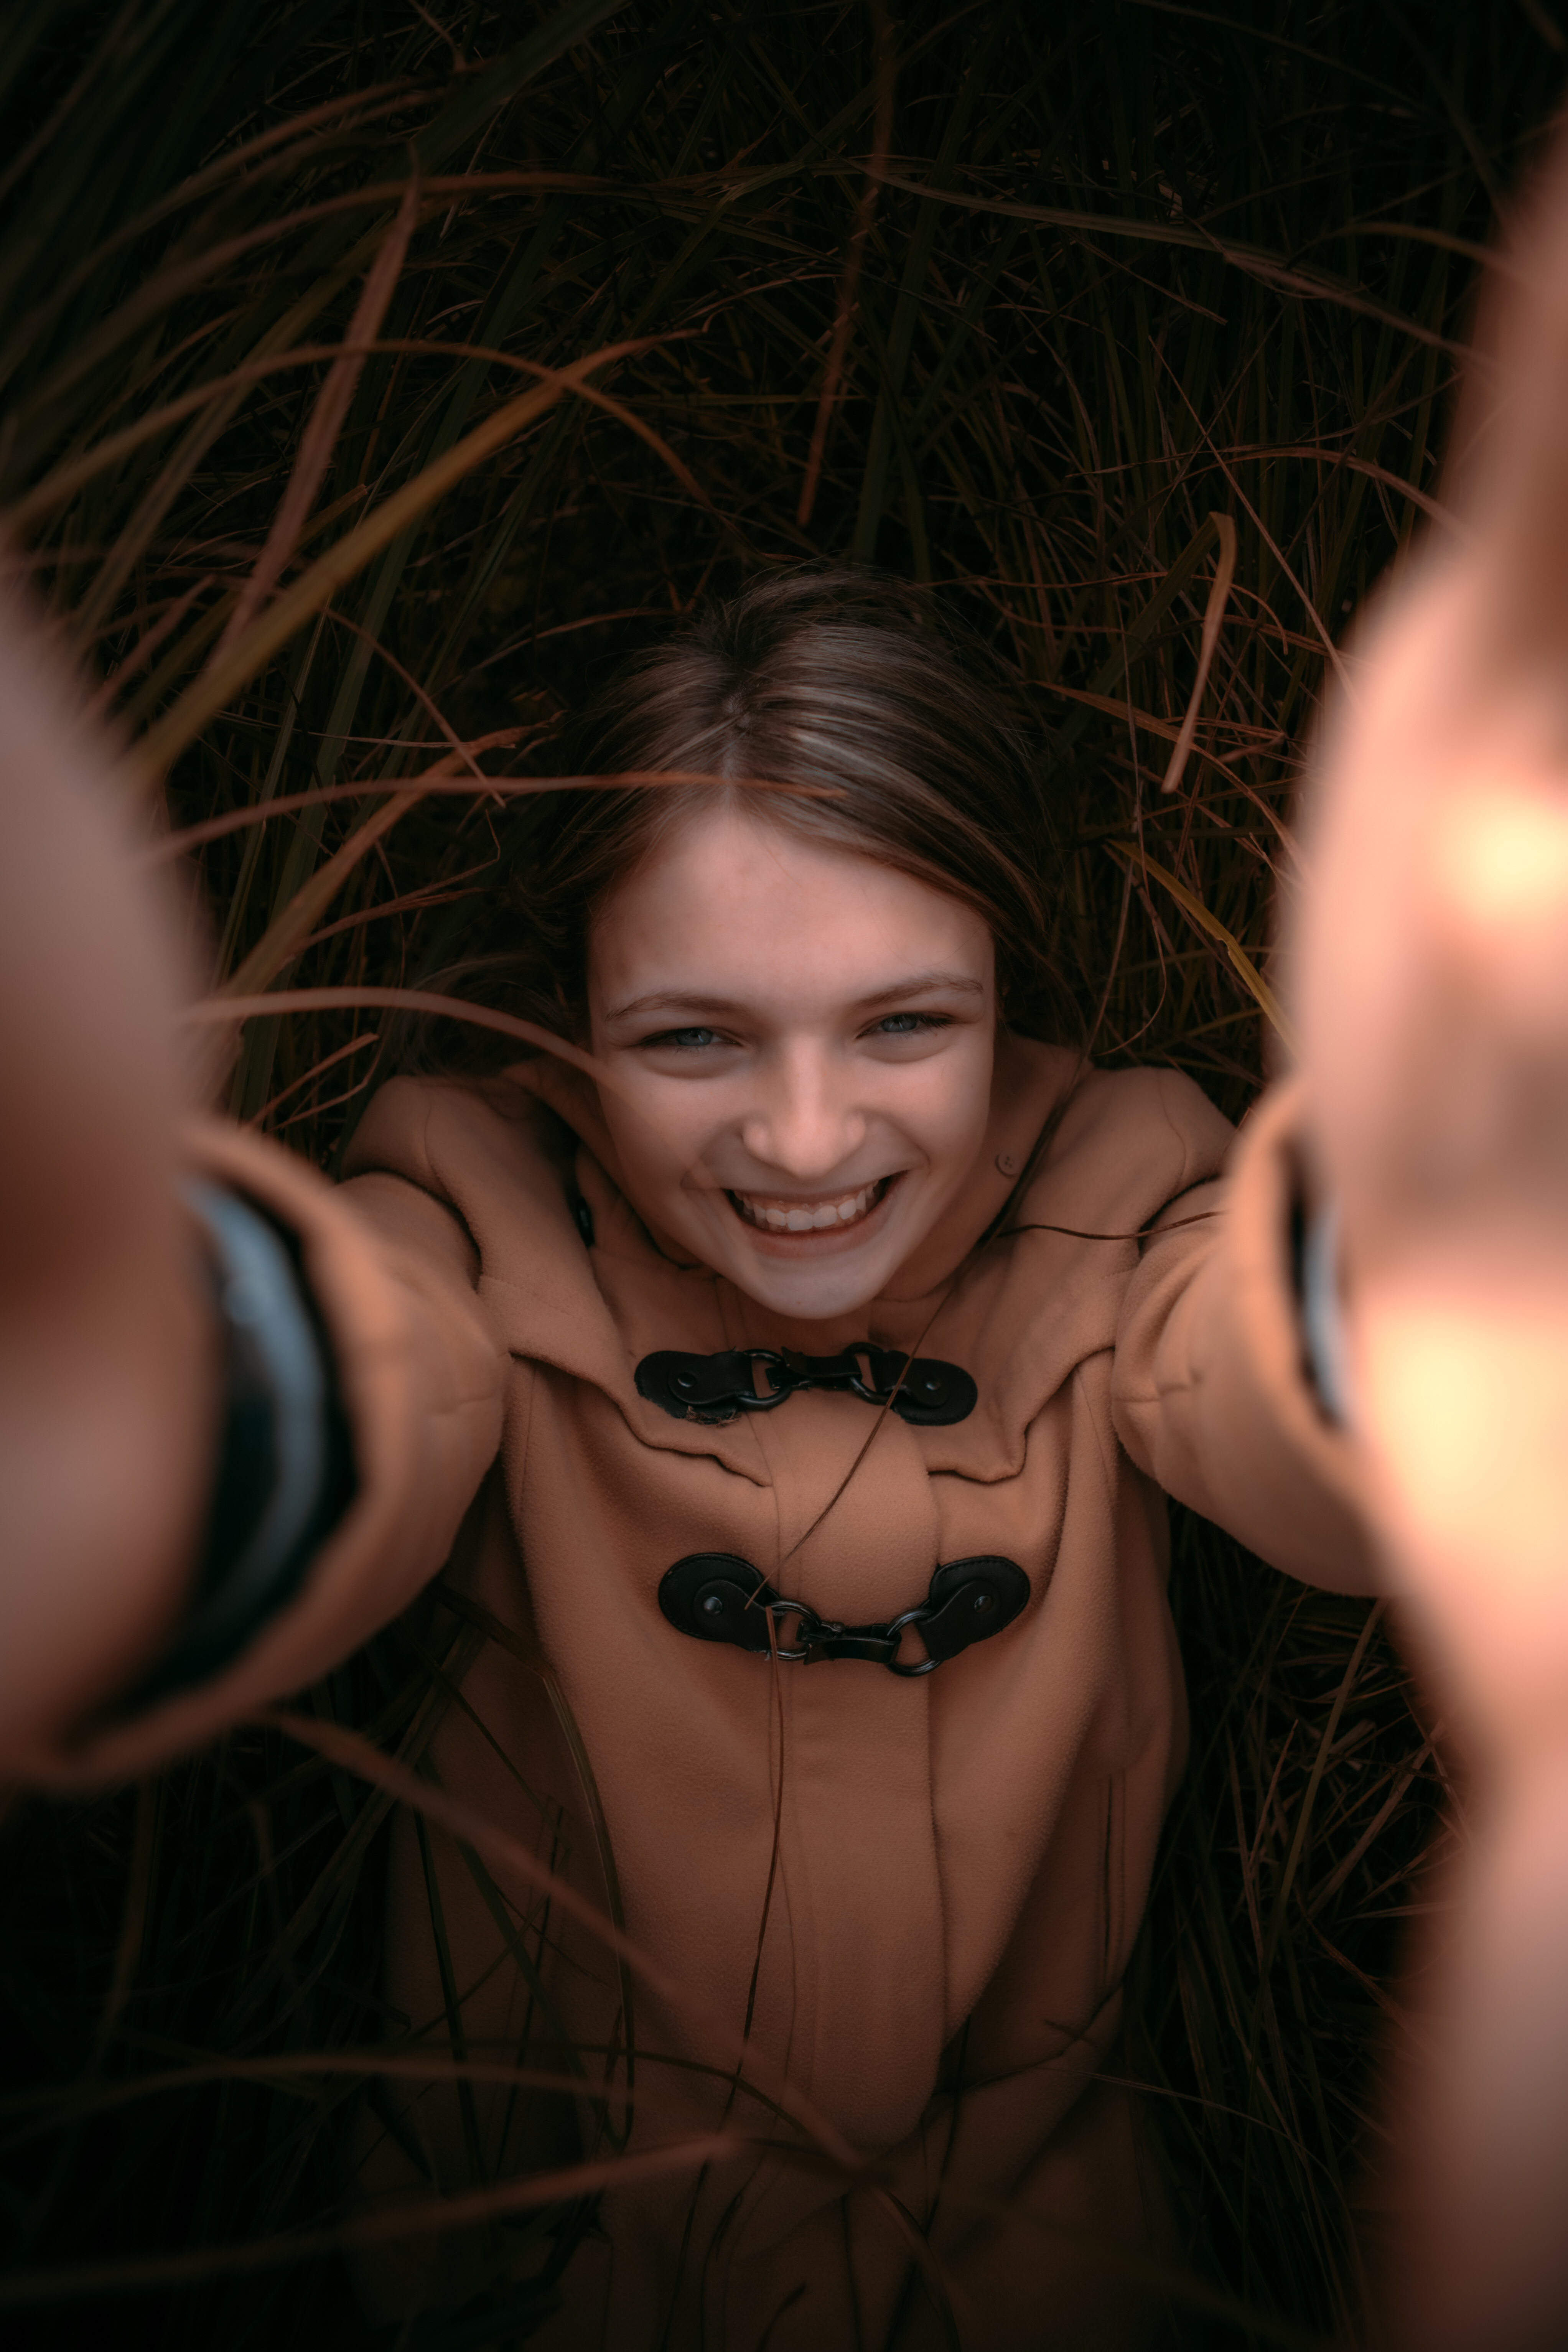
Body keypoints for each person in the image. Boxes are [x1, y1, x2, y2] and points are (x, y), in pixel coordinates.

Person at [7, 153, 1568, 2352]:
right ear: (571, 1019)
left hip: (1045, 2283)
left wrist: (1448, 1292)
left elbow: (1263, 1402)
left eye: (904, 1026)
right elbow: (390, 1379)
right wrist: (180, 1401)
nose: (810, 1139)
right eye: (693, 1039)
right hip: (534, 2279)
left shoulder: (1115, 1182)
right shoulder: (472, 1189)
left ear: (1007, 993)